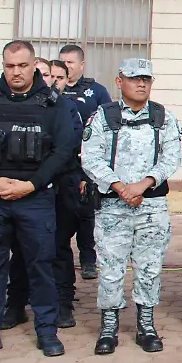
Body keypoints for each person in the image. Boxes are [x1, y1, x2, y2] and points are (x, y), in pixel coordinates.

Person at [0, 40, 79, 359]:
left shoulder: (55, 105)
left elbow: (64, 150)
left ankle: (47, 331)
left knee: (41, 266)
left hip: (35, 198)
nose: (16, 72)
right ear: (3, 66)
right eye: (9, 66)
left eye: (22, 66)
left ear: (33, 66)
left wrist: (33, 183)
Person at [81, 59, 181, 354]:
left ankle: (146, 325)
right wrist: (119, 187)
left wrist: (144, 184)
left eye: (146, 79)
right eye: (135, 78)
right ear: (119, 81)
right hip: (113, 206)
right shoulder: (102, 116)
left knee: (149, 267)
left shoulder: (163, 117)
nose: (141, 84)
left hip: (150, 205)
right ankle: (109, 327)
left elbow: (171, 156)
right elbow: (90, 156)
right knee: (111, 268)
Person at [58, 44, 111, 281]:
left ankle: (88, 259)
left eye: (70, 62)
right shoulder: (52, 90)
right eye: (62, 62)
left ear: (81, 65)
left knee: (86, 213)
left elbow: (108, 124)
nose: (66, 67)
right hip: (61, 163)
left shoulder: (95, 91)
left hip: (88, 161)